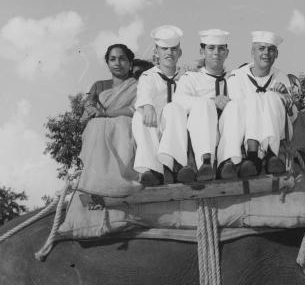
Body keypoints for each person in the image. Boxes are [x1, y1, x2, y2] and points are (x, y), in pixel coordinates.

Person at [221, 31, 295, 177]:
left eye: (271, 49)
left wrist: (286, 98)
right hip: (243, 131)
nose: (266, 53)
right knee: (251, 100)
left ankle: (271, 154)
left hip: (277, 133)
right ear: (252, 52)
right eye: (261, 48)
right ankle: (252, 156)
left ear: (276, 54)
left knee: (272, 97)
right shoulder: (237, 76)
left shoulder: (281, 77)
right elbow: (240, 109)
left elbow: (291, 113)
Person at [172, 29, 236, 180]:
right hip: (199, 136)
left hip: (228, 136)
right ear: (202, 51)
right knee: (202, 104)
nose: (216, 53)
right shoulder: (191, 78)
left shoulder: (234, 77)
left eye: (221, 49)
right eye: (211, 48)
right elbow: (178, 101)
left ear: (227, 52)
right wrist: (212, 102)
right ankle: (205, 163)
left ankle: (228, 161)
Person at [78, 43, 141, 196]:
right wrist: (92, 110)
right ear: (107, 63)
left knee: (121, 124)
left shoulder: (139, 85)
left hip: (127, 126)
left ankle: (122, 178)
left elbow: (136, 110)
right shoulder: (99, 86)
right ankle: (96, 180)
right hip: (98, 126)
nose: (117, 63)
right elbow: (89, 105)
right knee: (96, 126)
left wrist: (106, 114)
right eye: (112, 59)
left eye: (122, 59)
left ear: (130, 63)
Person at [132, 25, 185, 186]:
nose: (169, 53)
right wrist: (147, 106)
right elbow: (144, 93)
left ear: (179, 52)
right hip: (156, 126)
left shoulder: (186, 76)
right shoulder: (149, 76)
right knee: (140, 115)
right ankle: (154, 170)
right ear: (156, 52)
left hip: (180, 126)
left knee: (174, 109)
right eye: (164, 49)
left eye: (174, 49)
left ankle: (176, 165)